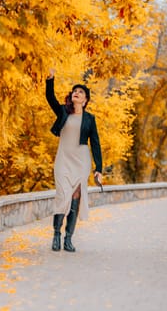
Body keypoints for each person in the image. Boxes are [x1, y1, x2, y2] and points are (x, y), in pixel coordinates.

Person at [46, 68, 102, 252]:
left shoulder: (89, 119)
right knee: (63, 195)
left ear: (85, 100)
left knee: (76, 196)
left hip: (81, 161)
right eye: (75, 91)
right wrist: (50, 79)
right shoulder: (63, 112)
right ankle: (56, 234)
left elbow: (95, 144)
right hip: (63, 159)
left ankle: (68, 238)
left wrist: (98, 168)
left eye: (80, 92)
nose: (76, 93)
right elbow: (50, 98)